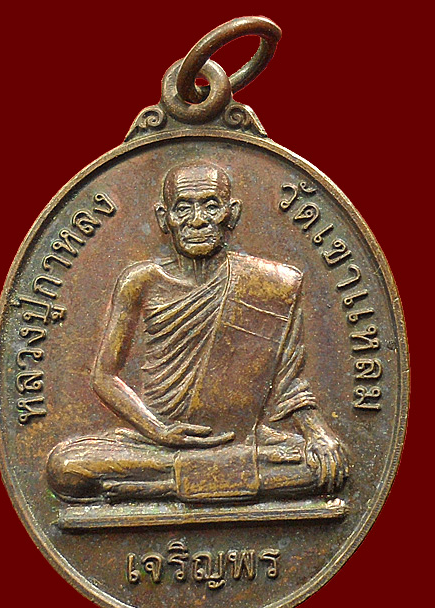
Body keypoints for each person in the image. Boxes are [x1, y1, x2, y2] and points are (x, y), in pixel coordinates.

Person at [47, 161, 348, 503]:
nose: (197, 220)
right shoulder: (141, 281)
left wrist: (317, 433)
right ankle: (207, 478)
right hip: (157, 443)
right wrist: (159, 431)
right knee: (65, 468)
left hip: (240, 441)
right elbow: (104, 376)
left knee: (326, 467)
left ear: (231, 214)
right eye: (183, 209)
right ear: (164, 218)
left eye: (210, 206)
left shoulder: (272, 285)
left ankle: (165, 486)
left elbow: (289, 382)